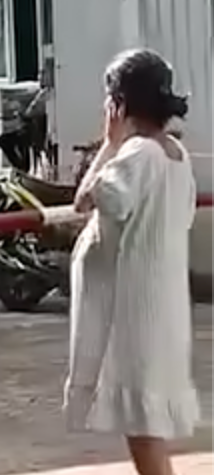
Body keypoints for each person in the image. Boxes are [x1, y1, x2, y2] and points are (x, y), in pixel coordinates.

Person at [66, 49, 199, 475]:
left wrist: (109, 144)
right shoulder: (176, 154)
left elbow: (86, 199)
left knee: (143, 432)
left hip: (136, 318)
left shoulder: (137, 154)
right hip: (161, 310)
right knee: (146, 429)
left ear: (119, 105)